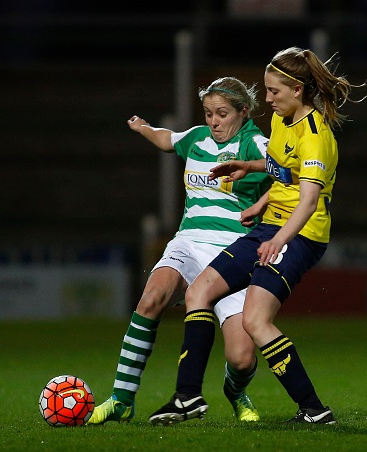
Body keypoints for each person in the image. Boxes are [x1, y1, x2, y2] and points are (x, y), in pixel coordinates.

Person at [148, 47, 365, 425]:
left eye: (273, 92)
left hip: (300, 235)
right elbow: (281, 168)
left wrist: (279, 239)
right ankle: (187, 397)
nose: (267, 99)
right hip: (270, 226)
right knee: (199, 291)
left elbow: (309, 200)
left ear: (297, 90)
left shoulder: (315, 136)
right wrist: (247, 169)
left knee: (255, 322)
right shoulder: (284, 119)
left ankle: (313, 410)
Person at [87, 76, 272, 424]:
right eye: (208, 113)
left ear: (243, 112)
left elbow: (289, 174)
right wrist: (143, 128)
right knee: (151, 298)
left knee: (243, 358)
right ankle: (122, 399)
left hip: (235, 253)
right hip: (189, 243)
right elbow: (165, 139)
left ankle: (235, 391)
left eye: (222, 113)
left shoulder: (256, 145)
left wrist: (262, 203)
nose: (213, 121)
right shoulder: (197, 138)